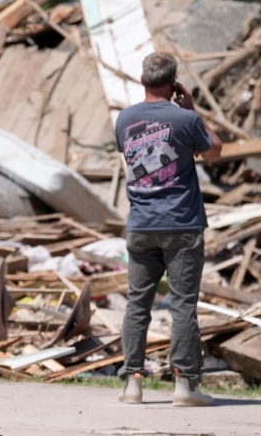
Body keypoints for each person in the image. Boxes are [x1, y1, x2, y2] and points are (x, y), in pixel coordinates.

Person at [114, 52, 222, 407]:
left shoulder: (125, 119)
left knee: (137, 305)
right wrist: (192, 109)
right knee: (183, 306)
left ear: (142, 80)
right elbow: (215, 153)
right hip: (182, 225)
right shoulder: (185, 118)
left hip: (141, 225)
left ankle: (132, 383)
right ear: (174, 83)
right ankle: (184, 387)